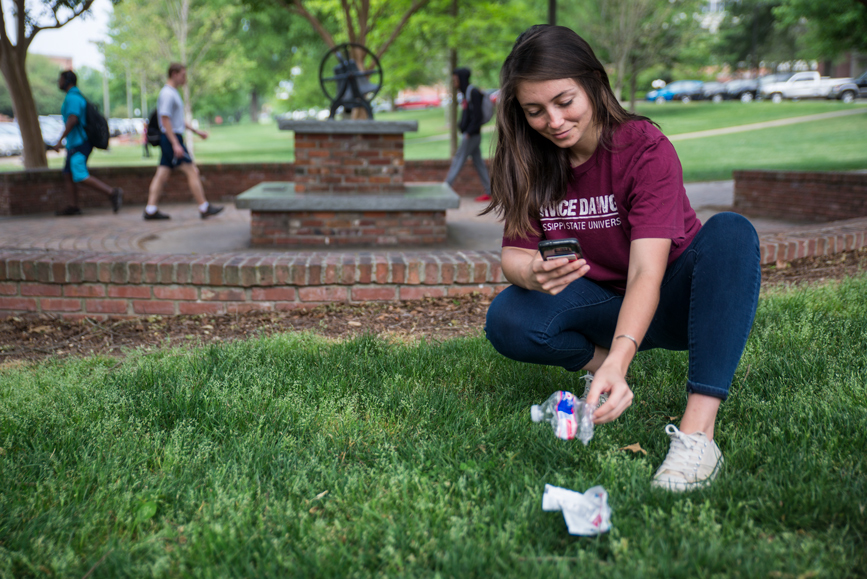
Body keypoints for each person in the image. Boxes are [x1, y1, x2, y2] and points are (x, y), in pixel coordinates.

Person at [483, 25, 761, 492]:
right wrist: (532, 272)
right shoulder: (530, 159)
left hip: (674, 299)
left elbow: (647, 272)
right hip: (600, 307)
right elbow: (513, 255)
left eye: (564, 101)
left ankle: (697, 434)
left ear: (594, 82)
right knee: (507, 316)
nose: (552, 121)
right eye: (535, 111)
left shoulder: (643, 147)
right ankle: (604, 370)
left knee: (732, 232)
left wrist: (623, 357)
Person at [144, 63, 222, 220]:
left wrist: (196, 131)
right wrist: (175, 143)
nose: (185, 78)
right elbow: (165, 120)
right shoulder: (167, 94)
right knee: (191, 171)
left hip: (172, 138)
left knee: (161, 174)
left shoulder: (172, 93)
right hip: (172, 138)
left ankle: (150, 209)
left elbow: (176, 120)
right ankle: (204, 207)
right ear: (174, 74)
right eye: (183, 75)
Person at [52, 70, 123, 216]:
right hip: (74, 143)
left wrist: (59, 141)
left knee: (79, 174)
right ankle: (73, 206)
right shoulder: (74, 96)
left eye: (60, 79)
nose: (58, 82)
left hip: (80, 143)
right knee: (67, 174)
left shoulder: (73, 98)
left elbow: (73, 120)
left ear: (67, 81)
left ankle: (112, 192)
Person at [445, 67, 492, 203]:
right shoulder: (466, 93)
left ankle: (446, 187)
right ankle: (489, 192)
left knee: (458, 159)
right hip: (471, 135)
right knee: (478, 163)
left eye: (455, 79)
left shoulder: (473, 92)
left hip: (471, 136)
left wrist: (469, 132)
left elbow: (477, 117)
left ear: (461, 79)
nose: (454, 83)